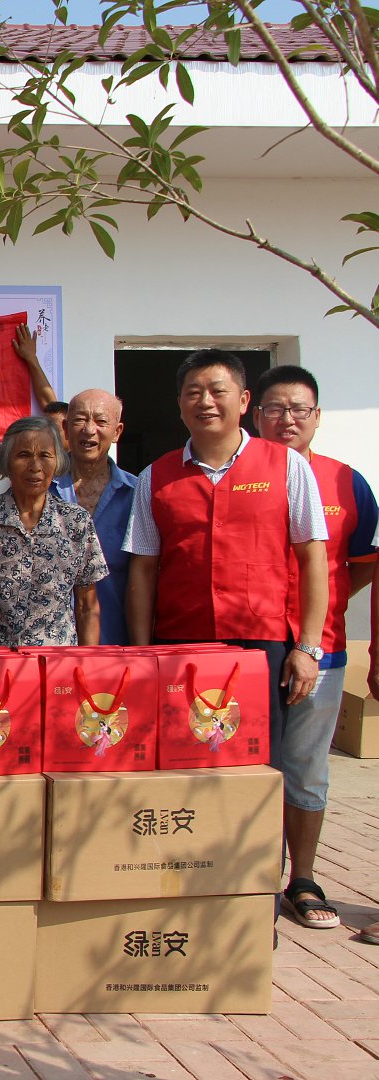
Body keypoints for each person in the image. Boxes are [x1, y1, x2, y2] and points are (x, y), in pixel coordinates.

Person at [124, 351, 329, 926]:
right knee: (187, 768)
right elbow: (143, 568)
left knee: (258, 773)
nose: (204, 401)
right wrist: (143, 654)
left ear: (244, 401)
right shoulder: (158, 475)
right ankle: (191, 888)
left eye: (217, 390)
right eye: (193, 391)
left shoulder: (286, 466)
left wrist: (306, 647)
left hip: (260, 646)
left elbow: (313, 558)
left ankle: (255, 900)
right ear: (180, 404)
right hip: (183, 646)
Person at [254, 367, 376, 932]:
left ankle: (301, 878)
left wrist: (321, 614)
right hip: (251, 649)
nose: (287, 420)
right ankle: (248, 880)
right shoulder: (239, 475)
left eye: (300, 409)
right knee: (251, 769)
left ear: (317, 417)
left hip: (319, 651)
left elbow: (361, 565)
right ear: (256, 415)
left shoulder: (346, 483)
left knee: (306, 769)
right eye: (276, 408)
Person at [0, 417, 107, 647]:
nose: (35, 466)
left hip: (59, 666)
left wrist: (88, 664)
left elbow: (86, 606)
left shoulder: (76, 521)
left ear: (57, 461)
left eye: (45, 455)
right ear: (6, 462)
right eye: (23, 455)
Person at [49, 390, 138, 644]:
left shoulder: (136, 493)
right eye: (80, 420)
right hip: (51, 650)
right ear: (65, 428)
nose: (89, 430)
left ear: (117, 431)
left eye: (100, 421)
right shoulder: (41, 491)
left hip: (115, 645)